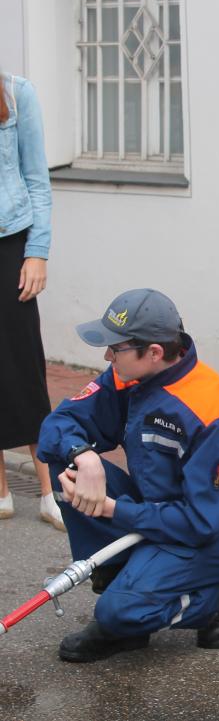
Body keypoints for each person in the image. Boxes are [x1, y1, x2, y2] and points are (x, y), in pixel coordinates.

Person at [36, 288, 219, 662]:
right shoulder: (130, 374)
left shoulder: (207, 408)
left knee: (116, 613)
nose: (107, 356)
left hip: (214, 533)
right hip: (155, 510)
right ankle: (122, 584)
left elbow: (200, 523)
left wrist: (113, 509)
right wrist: (84, 455)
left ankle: (218, 593)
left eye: (116, 348)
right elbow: (58, 426)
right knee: (69, 467)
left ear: (154, 352)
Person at [0, 72, 65, 531]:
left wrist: (37, 251)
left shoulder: (16, 94)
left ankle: (49, 491)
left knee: (25, 361)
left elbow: (37, 179)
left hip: (10, 239)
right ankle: (0, 490)